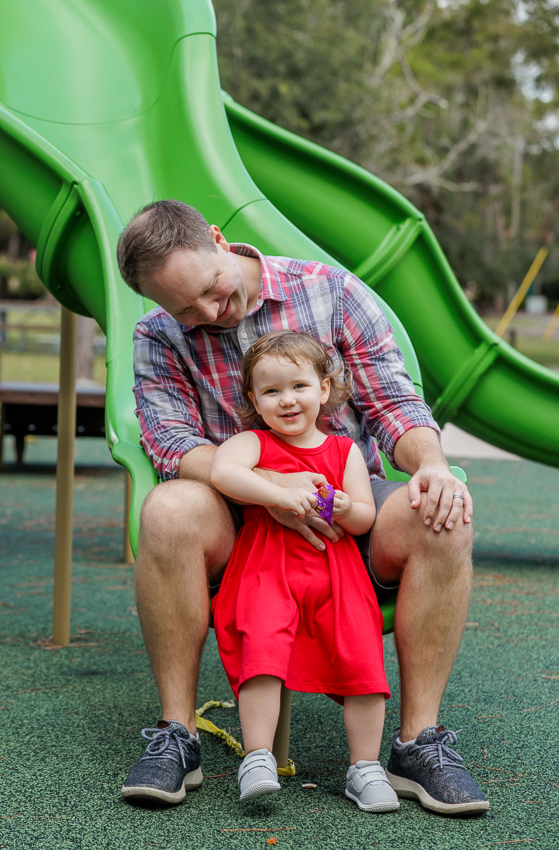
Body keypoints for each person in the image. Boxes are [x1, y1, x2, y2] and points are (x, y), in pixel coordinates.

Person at [117, 199, 488, 815]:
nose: (208, 314)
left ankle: (418, 744)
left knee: (440, 515)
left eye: (210, 289)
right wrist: (270, 487)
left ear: (219, 240)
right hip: (238, 520)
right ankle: (177, 734)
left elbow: (392, 402)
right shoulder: (157, 336)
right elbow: (173, 444)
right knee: (168, 507)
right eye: (184, 309)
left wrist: (431, 463)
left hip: (346, 511)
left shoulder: (332, 292)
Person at [210, 330, 398, 811]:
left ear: (324, 388)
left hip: (336, 573)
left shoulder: (343, 450)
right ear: (254, 400)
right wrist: (278, 494)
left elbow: (364, 517)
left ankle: (365, 767)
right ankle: (257, 757)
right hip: (266, 568)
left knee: (361, 655)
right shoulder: (252, 443)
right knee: (262, 648)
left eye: (299, 386)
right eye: (271, 391)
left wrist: (342, 507)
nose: (287, 400)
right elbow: (223, 473)